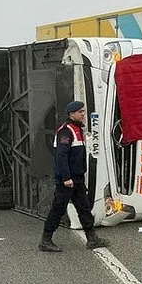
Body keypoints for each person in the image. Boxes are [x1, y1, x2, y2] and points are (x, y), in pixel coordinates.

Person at [40, 101, 109, 252]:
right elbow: (61, 156)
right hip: (67, 180)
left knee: (84, 208)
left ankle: (92, 239)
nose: (83, 114)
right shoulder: (66, 132)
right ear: (71, 114)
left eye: (84, 111)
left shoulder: (77, 129)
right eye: (80, 112)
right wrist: (66, 178)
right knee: (58, 209)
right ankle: (46, 240)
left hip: (77, 178)